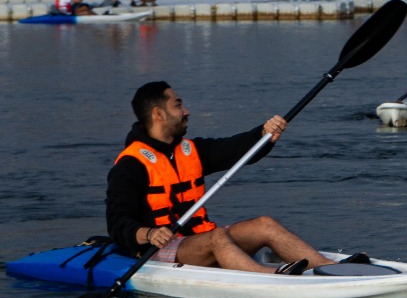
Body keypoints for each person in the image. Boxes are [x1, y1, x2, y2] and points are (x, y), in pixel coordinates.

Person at [107, 81, 360, 275]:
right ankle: (271, 277)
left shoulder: (191, 150)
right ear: (158, 114)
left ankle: (330, 268)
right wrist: (148, 234)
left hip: (201, 242)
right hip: (159, 251)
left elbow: (236, 149)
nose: (186, 111)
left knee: (264, 224)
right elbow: (117, 222)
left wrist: (264, 133)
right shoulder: (131, 164)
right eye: (178, 105)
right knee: (217, 238)